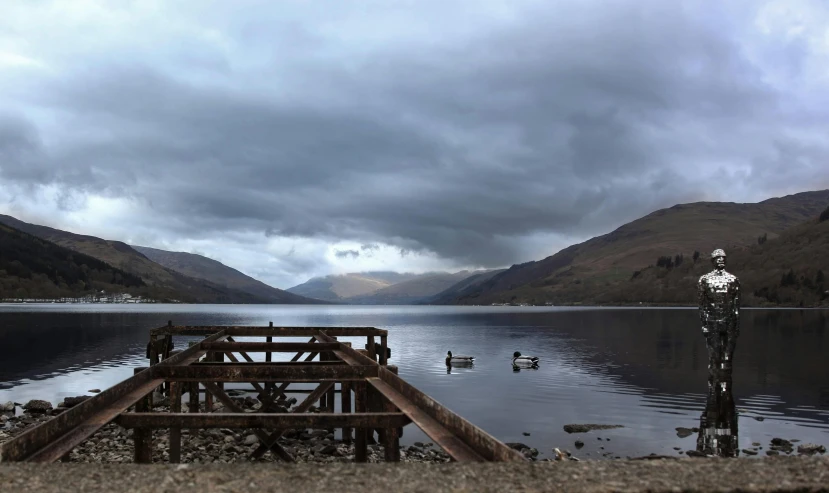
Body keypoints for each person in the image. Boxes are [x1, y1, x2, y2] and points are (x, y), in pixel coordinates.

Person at [697, 249, 740, 372]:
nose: (721, 259)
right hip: (712, 322)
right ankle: (713, 386)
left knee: (727, 359)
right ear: (713, 261)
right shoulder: (704, 280)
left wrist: (736, 327)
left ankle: (725, 388)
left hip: (729, 323)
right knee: (714, 357)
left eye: (723, 257)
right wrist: (704, 325)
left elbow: (736, 306)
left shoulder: (733, 280)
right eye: (718, 257)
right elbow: (702, 305)